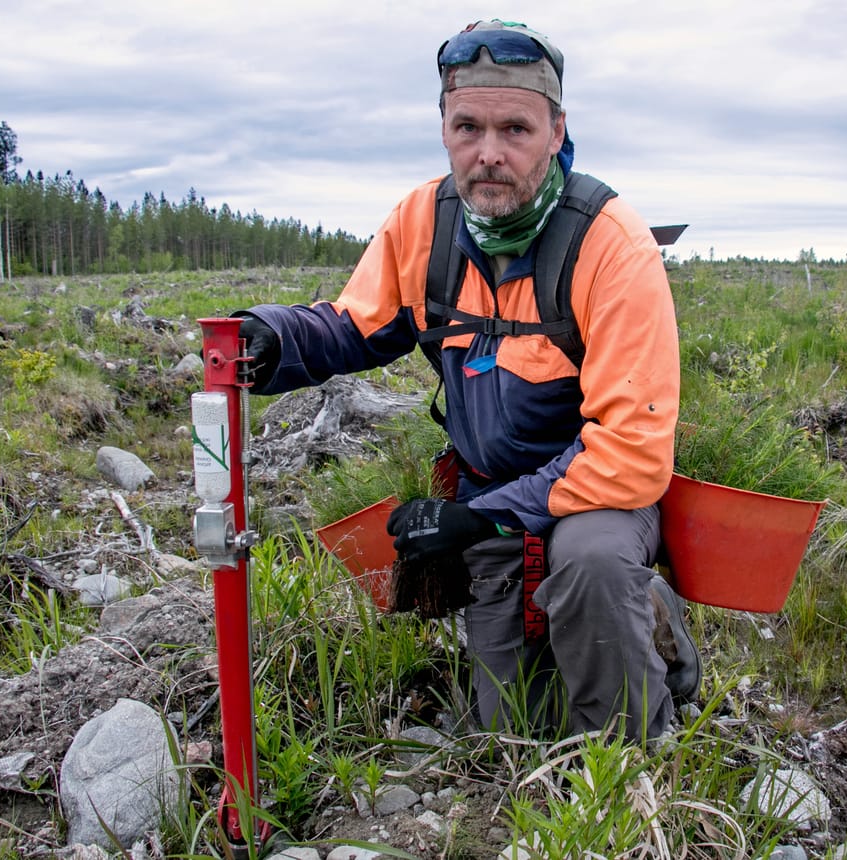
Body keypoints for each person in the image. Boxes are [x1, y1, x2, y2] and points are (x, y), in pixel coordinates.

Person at [234, 19, 699, 741]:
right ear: (444, 129)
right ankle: (610, 628)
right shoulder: (423, 221)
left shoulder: (610, 243)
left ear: (556, 130)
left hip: (599, 499)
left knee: (592, 569)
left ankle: (642, 747)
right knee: (507, 729)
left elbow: (631, 453)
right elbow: (355, 324)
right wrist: (270, 338)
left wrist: (479, 517)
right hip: (490, 498)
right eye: (468, 127)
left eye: (515, 128)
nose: (489, 153)